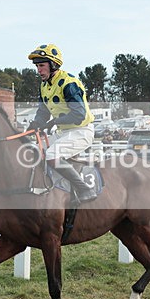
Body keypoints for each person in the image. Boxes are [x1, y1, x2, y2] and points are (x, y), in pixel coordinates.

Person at [27, 43, 97, 204]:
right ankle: (42, 189)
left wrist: (54, 122)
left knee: (52, 155)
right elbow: (43, 112)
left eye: (42, 66)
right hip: (63, 132)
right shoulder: (44, 86)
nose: (39, 70)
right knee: (33, 150)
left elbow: (79, 114)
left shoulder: (69, 83)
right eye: (37, 66)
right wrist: (35, 124)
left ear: (53, 65)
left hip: (82, 131)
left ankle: (84, 189)